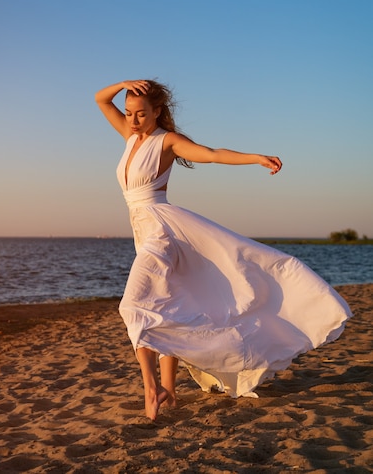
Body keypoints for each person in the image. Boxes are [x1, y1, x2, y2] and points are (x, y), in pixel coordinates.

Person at [95, 79, 352, 421]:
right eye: (129, 113)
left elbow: (212, 155)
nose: (133, 120)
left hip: (161, 231)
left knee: (134, 306)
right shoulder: (130, 137)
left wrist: (255, 158)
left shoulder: (167, 141)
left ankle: (151, 388)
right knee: (170, 304)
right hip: (142, 232)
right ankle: (169, 391)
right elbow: (100, 99)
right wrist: (123, 83)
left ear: (158, 112)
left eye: (141, 113)